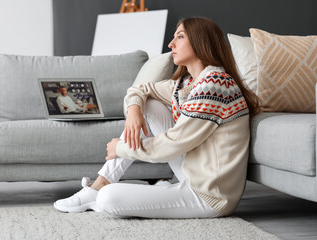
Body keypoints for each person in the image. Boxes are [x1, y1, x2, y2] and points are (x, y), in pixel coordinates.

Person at [53, 17, 260, 218]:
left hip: (210, 195)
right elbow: (141, 89)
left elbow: (172, 144)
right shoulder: (187, 84)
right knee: (150, 104)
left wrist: (121, 148)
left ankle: (103, 190)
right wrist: (134, 112)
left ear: (200, 42)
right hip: (192, 175)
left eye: (179, 37)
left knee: (108, 199)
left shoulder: (215, 85)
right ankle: (102, 183)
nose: (171, 44)